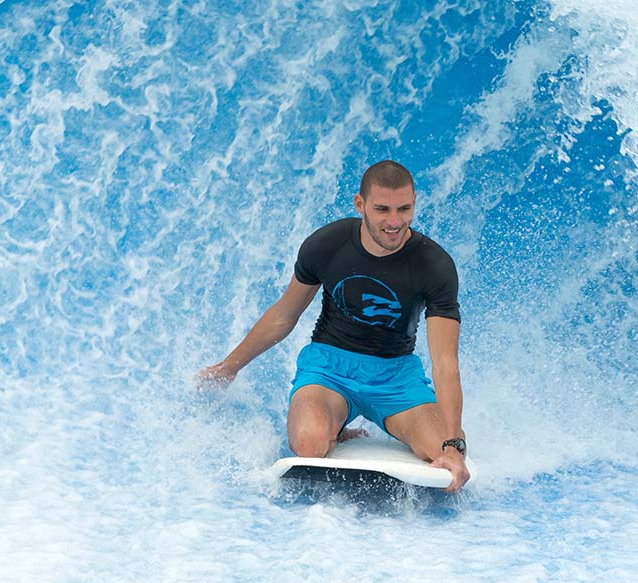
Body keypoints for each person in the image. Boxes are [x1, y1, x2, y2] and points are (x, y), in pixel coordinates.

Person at [197, 160, 470, 492]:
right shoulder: (328, 244)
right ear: (360, 204)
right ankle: (334, 426)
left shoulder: (434, 265)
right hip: (329, 370)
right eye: (382, 209)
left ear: (414, 201)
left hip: (396, 378)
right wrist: (228, 368)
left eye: (404, 209)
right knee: (309, 444)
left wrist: (453, 445)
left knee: (442, 448)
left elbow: (445, 362)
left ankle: (407, 430)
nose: (394, 222)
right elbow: (284, 315)